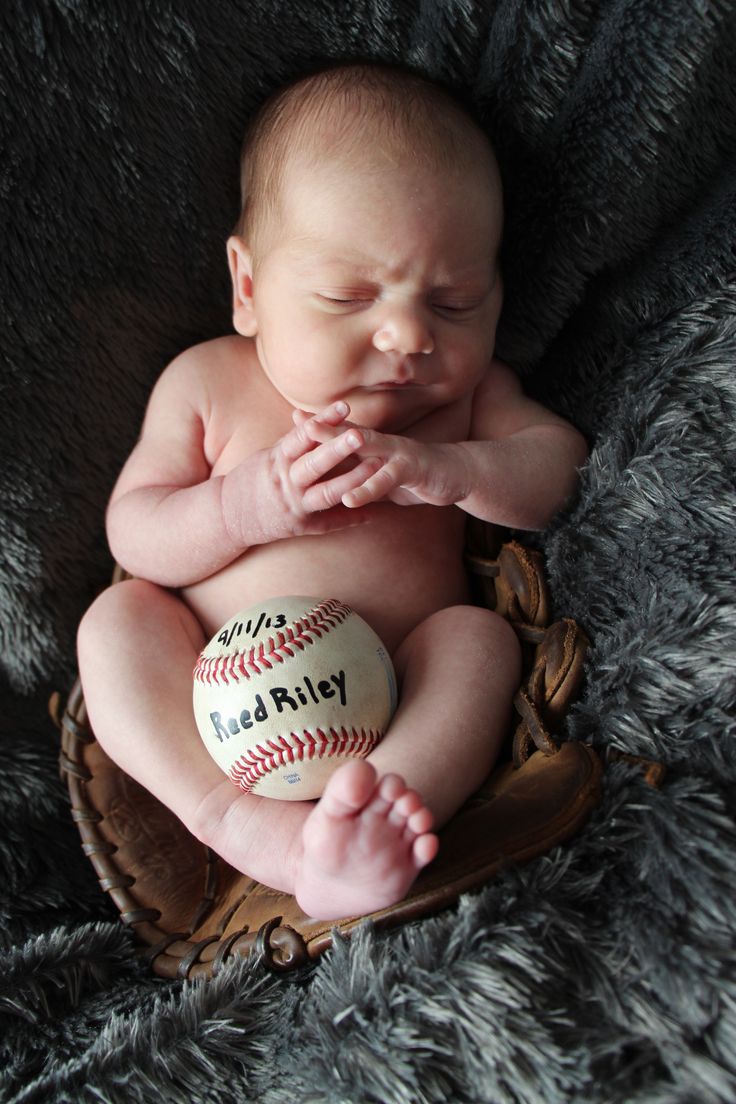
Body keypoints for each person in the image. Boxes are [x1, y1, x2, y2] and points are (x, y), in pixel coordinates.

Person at [77, 62, 588, 921]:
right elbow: (135, 534)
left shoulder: (462, 403)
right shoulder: (206, 384)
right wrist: (241, 508)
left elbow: (562, 470)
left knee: (477, 641)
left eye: (456, 303)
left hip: (395, 693)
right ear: (248, 288)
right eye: (348, 296)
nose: (408, 336)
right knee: (116, 624)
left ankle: (368, 829)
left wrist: (455, 471)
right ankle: (237, 824)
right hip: (213, 692)